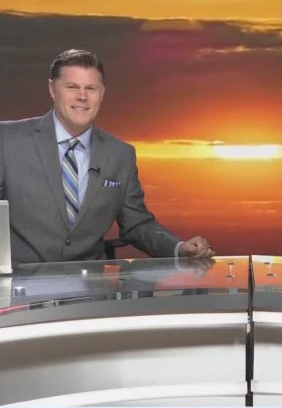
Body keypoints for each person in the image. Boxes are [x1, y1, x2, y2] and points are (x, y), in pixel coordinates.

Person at [0, 49, 215, 267]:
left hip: (90, 290)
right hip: (18, 290)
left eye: (90, 88)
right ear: (53, 89)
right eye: (72, 87)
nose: (82, 97)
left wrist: (179, 248)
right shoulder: (7, 140)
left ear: (102, 93)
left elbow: (137, 224)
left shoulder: (120, 155)